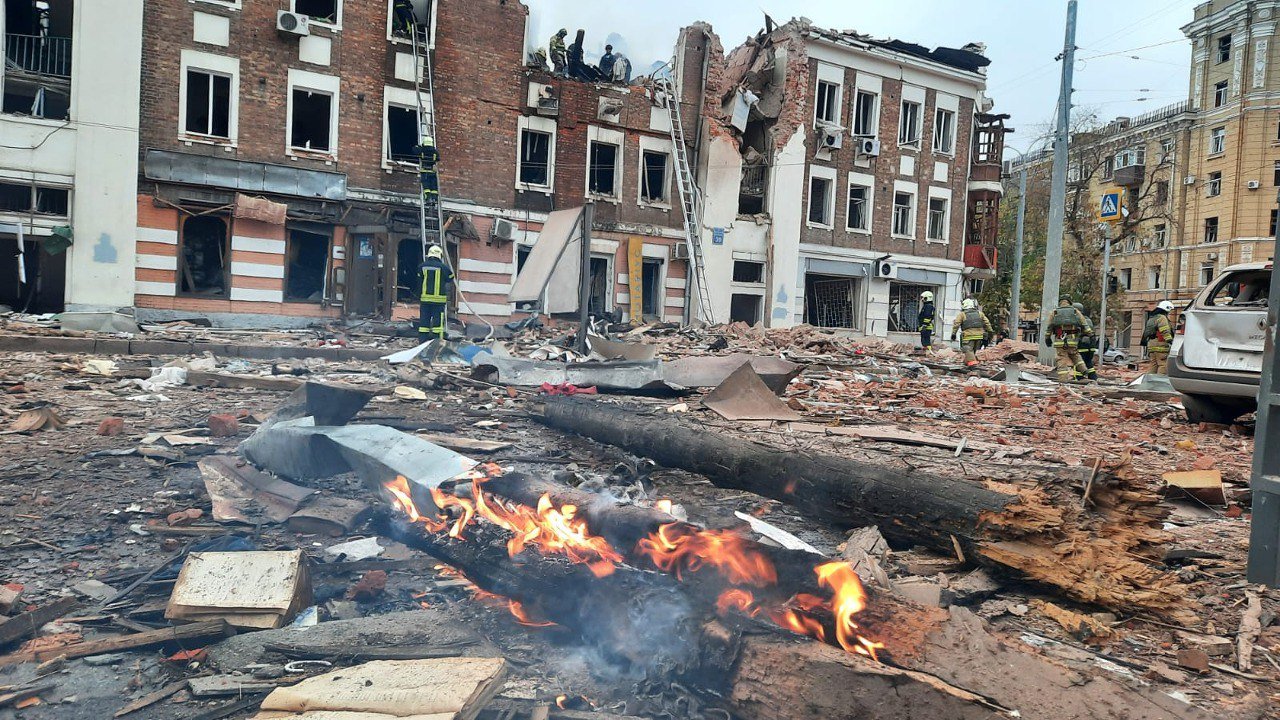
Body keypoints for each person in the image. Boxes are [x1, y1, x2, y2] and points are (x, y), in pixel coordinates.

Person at [1045, 297, 1089, 382]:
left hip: (1060, 341)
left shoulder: (1055, 312)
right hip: (1072, 341)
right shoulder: (1075, 311)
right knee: (1075, 356)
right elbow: (1084, 324)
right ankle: (1084, 370)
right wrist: (1089, 334)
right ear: (1069, 302)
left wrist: (1047, 338)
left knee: (1061, 359)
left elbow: (1049, 327)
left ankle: (1063, 380)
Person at [419, 245, 454, 342]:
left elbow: (419, 280)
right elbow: (451, 277)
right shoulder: (443, 267)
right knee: (437, 325)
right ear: (440, 255)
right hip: (438, 302)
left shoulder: (422, 266)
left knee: (423, 324)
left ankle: (422, 344)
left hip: (425, 301)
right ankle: (436, 344)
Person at [950, 298, 992, 367]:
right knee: (974, 351)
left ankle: (973, 365)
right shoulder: (980, 313)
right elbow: (987, 323)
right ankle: (967, 362)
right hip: (979, 336)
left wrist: (953, 334)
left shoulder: (962, 314)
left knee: (968, 349)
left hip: (968, 336)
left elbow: (956, 324)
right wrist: (990, 331)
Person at [1141, 300, 1175, 375]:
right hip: (1161, 345)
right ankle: (1159, 383)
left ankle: (1150, 383)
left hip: (1151, 345)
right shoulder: (1162, 318)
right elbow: (1164, 330)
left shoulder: (1152, 317)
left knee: (1153, 365)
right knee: (1163, 365)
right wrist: (1170, 341)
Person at [1073, 302, 1099, 381]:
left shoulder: (1078, 320)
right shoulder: (1088, 319)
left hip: (1083, 345)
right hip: (1091, 345)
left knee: (1078, 362)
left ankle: (1078, 377)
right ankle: (1093, 377)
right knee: (1088, 362)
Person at [417, 135, 439, 202]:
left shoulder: (422, 150)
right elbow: (438, 158)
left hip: (425, 171)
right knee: (434, 186)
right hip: (433, 172)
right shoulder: (435, 151)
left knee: (426, 186)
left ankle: (428, 198)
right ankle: (435, 199)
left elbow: (415, 150)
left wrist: (418, 147)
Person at [917, 290, 936, 354]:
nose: (922, 299)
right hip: (925, 326)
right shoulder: (927, 306)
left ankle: (928, 352)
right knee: (924, 339)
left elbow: (927, 316)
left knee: (926, 340)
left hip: (926, 326)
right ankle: (927, 351)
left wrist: (924, 325)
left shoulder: (928, 306)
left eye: (923, 298)